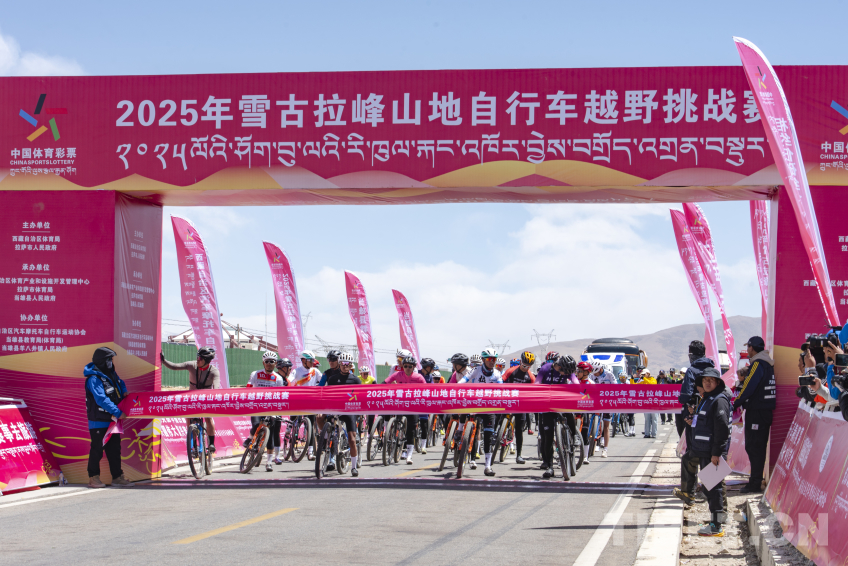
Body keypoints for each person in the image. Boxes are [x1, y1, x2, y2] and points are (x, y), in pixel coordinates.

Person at [690, 368, 732, 537]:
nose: (707, 383)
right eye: (705, 380)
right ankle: (715, 521)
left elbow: (722, 428)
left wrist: (716, 453)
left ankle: (716, 526)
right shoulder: (707, 398)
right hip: (705, 451)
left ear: (717, 382)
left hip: (713, 453)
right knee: (709, 488)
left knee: (714, 489)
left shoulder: (718, 400)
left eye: (711, 380)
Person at [84, 347, 133, 488]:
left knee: (114, 450)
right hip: (98, 421)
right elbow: (101, 399)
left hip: (112, 422)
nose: (111, 362)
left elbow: (120, 382)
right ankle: (93, 478)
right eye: (109, 360)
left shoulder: (110, 374)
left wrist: (124, 391)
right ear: (102, 361)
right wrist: (117, 412)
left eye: (111, 359)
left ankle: (117, 477)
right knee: (97, 450)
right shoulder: (94, 379)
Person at [732, 336, 775, 494]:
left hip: (757, 411)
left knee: (754, 447)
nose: (747, 350)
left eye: (748, 347)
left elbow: (748, 386)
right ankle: (755, 480)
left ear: (752, 348)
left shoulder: (758, 364)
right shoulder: (767, 363)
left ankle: (755, 483)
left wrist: (736, 402)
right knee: (757, 447)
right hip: (763, 411)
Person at [160, 347, 220, 454]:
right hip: (191, 398)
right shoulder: (192, 365)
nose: (197, 359)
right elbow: (175, 366)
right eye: (197, 356)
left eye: (200, 358)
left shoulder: (214, 371)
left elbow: (216, 387)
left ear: (207, 360)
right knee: (189, 417)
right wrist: (164, 361)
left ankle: (211, 443)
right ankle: (193, 443)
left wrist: (215, 396)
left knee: (208, 417)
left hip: (206, 399)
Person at [457, 348, 504, 476]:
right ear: (483, 360)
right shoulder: (476, 370)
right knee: (469, 418)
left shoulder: (497, 374)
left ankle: (487, 467)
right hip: (475, 403)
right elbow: (464, 380)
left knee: (488, 437)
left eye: (494, 359)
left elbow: (502, 388)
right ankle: (460, 431)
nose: (492, 361)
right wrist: (456, 387)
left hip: (489, 406)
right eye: (489, 359)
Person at [317, 352, 363, 476]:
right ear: (340, 363)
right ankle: (325, 439)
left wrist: (360, 412)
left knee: (352, 439)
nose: (345, 365)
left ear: (351, 365)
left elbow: (360, 397)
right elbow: (327, 395)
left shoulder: (356, 380)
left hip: (349, 411)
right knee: (320, 419)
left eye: (348, 364)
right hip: (335, 409)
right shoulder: (332, 379)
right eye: (343, 363)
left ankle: (353, 467)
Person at [537, 354, 578, 479]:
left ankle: (574, 436)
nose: (566, 374)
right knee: (547, 436)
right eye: (565, 372)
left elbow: (575, 381)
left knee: (569, 412)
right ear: (560, 367)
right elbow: (536, 383)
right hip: (546, 402)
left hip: (561, 399)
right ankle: (550, 467)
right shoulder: (545, 368)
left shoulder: (568, 371)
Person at [385, 355, 427, 464]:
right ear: (402, 366)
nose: (407, 368)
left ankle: (409, 456)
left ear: (414, 367)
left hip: (413, 406)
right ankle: (393, 435)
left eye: (410, 366)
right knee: (394, 420)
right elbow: (385, 382)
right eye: (405, 366)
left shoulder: (419, 377)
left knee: (410, 430)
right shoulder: (398, 374)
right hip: (400, 404)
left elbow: (427, 390)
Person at [246, 351, 284, 471]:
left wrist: (277, 412)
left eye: (272, 361)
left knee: (270, 435)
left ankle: (269, 462)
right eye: (266, 361)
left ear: (275, 364)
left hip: (271, 408)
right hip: (257, 406)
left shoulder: (278, 378)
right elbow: (248, 389)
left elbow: (280, 396)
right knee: (256, 424)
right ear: (263, 363)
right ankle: (250, 438)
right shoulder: (255, 374)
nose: (269, 363)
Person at [674, 376, 705, 507]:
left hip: (712, 446)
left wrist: (717, 451)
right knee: (688, 459)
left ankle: (719, 512)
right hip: (705, 444)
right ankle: (689, 494)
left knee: (716, 485)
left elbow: (713, 422)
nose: (698, 391)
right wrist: (694, 418)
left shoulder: (716, 400)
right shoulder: (705, 400)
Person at [501, 351, 536, 464]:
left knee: (519, 430)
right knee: (499, 417)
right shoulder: (511, 371)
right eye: (524, 365)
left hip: (521, 404)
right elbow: (500, 382)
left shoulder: (530, 377)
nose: (525, 368)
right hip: (508, 400)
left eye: (528, 367)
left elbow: (533, 392)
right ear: (520, 362)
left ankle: (519, 455)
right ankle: (498, 435)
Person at [678, 341, 716, 438]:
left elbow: (686, 395)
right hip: (711, 409)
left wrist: (681, 399)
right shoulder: (713, 370)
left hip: (694, 412)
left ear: (691, 355)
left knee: (693, 440)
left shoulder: (691, 371)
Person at [292, 350, 322, 459]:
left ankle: (310, 452)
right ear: (303, 360)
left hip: (311, 401)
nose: (312, 362)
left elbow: (323, 381)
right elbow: (290, 380)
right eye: (310, 360)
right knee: (294, 419)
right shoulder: (296, 371)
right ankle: (291, 430)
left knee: (310, 426)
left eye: (313, 360)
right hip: (299, 400)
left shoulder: (315, 371)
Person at [591, 361, 616, 457]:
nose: (594, 375)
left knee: (606, 426)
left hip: (607, 401)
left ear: (600, 369)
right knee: (595, 423)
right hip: (596, 401)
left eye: (596, 373)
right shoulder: (592, 375)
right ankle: (595, 443)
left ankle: (605, 449)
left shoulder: (609, 375)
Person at [575, 362, 596, 465]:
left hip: (584, 410)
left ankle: (585, 457)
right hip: (573, 410)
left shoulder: (591, 383)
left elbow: (595, 398)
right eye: (577, 370)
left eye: (580, 371)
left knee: (585, 431)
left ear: (586, 372)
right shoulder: (573, 381)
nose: (577, 372)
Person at [641, 370, 658, 438]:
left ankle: (654, 434)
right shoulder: (643, 381)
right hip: (646, 402)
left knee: (654, 419)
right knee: (647, 419)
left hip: (654, 402)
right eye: (642, 375)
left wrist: (644, 378)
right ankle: (647, 433)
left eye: (644, 374)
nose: (643, 376)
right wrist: (632, 379)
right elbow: (635, 385)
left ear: (648, 374)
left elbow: (651, 384)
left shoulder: (653, 380)